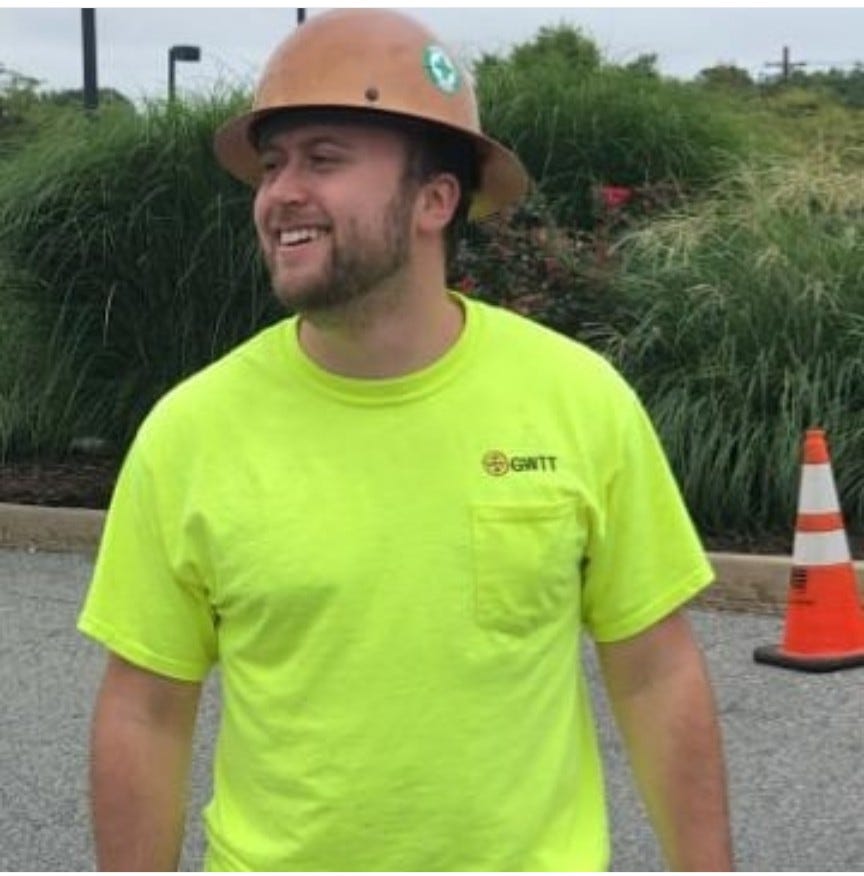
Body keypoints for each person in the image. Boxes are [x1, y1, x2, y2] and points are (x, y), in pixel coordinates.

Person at [78, 9, 733, 872]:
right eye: (272, 166)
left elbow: (655, 672)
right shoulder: (192, 431)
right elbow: (144, 711)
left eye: (324, 158)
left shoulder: (578, 400)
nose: (279, 194)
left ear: (435, 199)